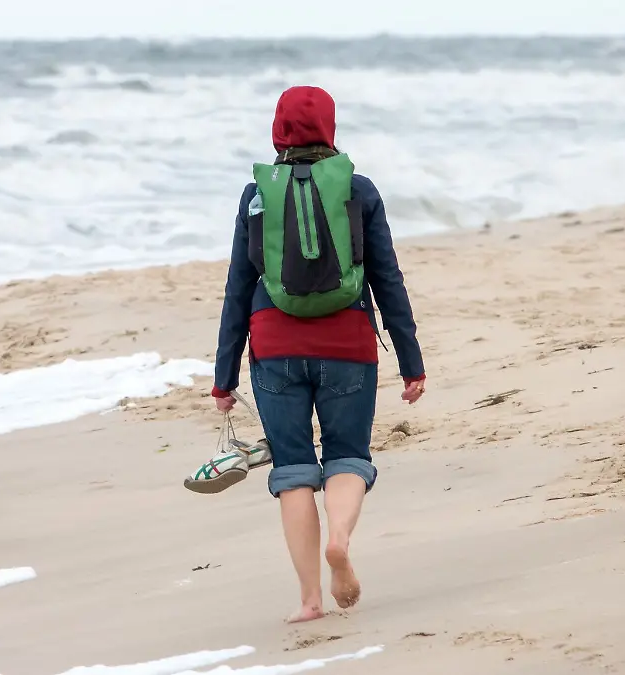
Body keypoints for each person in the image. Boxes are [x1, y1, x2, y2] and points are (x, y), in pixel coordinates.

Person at [210, 85, 427, 624]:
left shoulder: (255, 195)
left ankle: (309, 601)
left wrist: (223, 376)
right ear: (330, 127)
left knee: (293, 471)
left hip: (275, 349)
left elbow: (239, 285)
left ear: (278, 130)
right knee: (348, 457)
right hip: (348, 344)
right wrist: (411, 359)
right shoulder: (358, 189)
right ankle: (341, 540)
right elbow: (387, 278)